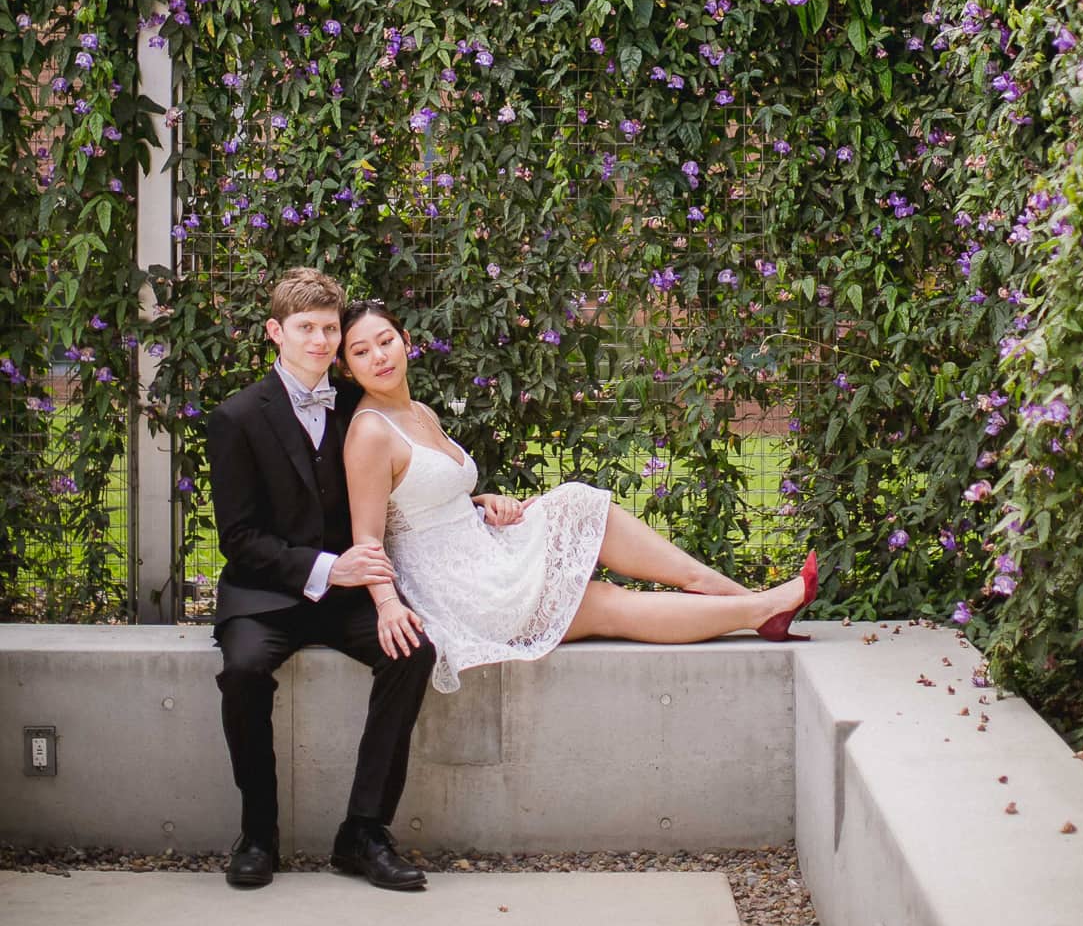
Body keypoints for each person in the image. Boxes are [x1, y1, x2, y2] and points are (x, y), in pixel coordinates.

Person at [339, 298, 819, 696]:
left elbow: (422, 493)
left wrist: (481, 500)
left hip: (482, 548)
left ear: (406, 342)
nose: (379, 357)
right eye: (361, 352)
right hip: (461, 590)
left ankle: (756, 604)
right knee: (603, 603)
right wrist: (387, 606)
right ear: (346, 366)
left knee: (580, 502)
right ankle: (761, 609)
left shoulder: (418, 410)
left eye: (385, 342)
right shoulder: (369, 432)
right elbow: (368, 537)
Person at [207, 268, 435, 891]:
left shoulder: (357, 412)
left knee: (413, 652)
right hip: (264, 594)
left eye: (330, 329)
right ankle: (258, 834)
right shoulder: (237, 418)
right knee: (245, 671)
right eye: (306, 328)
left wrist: (477, 502)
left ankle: (363, 831)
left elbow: (397, 490)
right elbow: (239, 538)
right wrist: (328, 567)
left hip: (342, 597)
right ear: (275, 332)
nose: (320, 341)